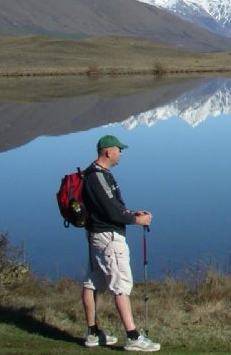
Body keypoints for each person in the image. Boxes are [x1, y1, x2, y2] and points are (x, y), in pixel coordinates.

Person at [80, 134, 161, 352]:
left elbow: (111, 206)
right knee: (121, 285)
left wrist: (132, 213)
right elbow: (110, 210)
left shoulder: (94, 175)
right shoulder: (98, 177)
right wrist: (137, 219)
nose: (121, 153)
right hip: (109, 239)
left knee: (93, 282)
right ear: (108, 152)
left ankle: (93, 333)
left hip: (97, 236)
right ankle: (133, 336)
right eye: (119, 150)